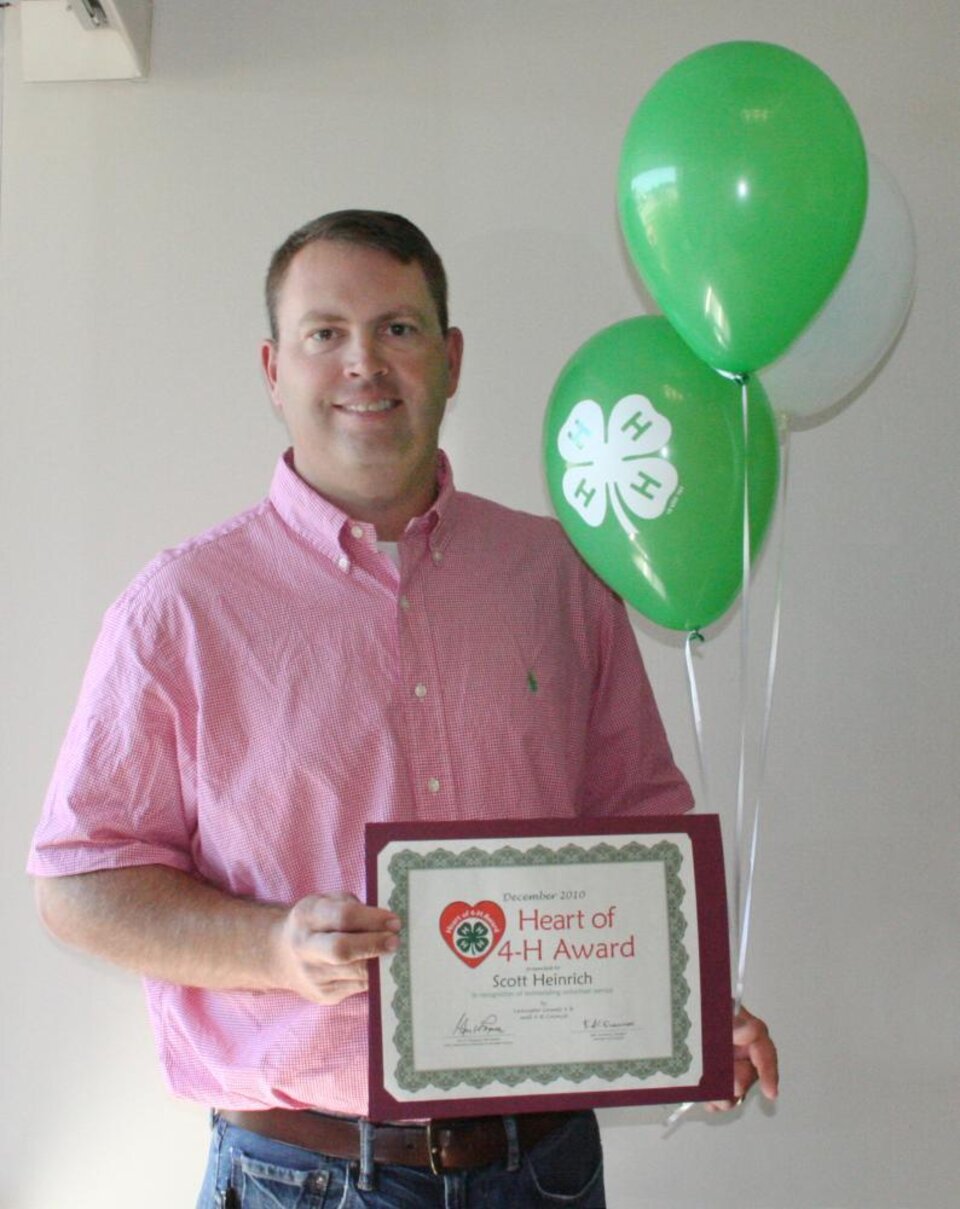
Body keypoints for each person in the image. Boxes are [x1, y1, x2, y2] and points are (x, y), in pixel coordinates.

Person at [29, 210, 778, 1207]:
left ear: (452, 359)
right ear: (272, 367)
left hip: (541, 1169)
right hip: (301, 1173)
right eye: (325, 333)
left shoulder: (558, 576)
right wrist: (271, 948)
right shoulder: (179, 613)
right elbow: (78, 885)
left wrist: (686, 1014)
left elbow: (637, 820)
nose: (363, 364)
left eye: (399, 329)